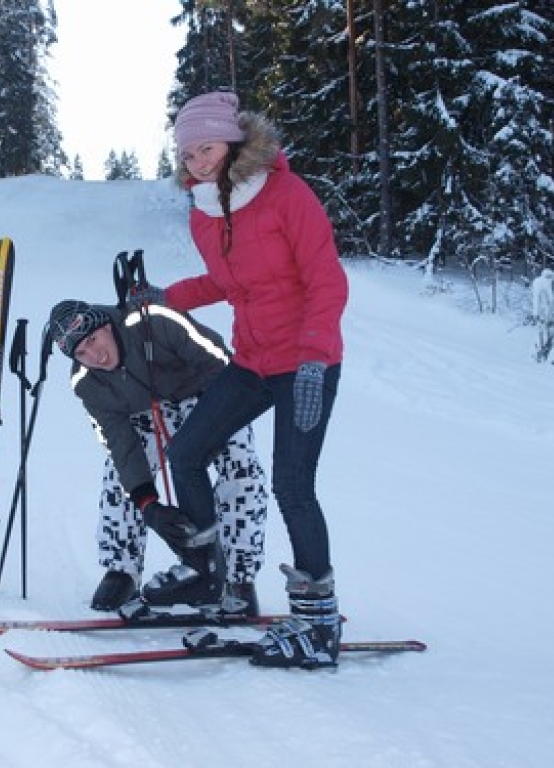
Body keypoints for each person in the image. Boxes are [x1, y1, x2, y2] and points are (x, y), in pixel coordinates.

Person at [132, 91, 349, 668]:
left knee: (292, 487)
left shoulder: (286, 195)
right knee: (186, 453)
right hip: (254, 362)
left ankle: (317, 625)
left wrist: (315, 358)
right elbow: (225, 282)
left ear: (232, 142)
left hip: (306, 362)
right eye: (188, 152)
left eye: (206, 148)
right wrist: (165, 298)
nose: (198, 161)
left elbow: (327, 281)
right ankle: (207, 574)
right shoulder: (207, 211)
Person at [47, 298, 269, 615]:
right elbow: (119, 442)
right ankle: (121, 570)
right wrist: (147, 503)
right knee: (120, 477)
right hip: (148, 413)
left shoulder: (154, 321)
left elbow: (221, 360)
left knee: (241, 468)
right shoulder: (86, 382)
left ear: (106, 325)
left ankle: (239, 579)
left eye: (94, 340)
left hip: (210, 394)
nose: (95, 356)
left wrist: (205, 423)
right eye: (81, 352)